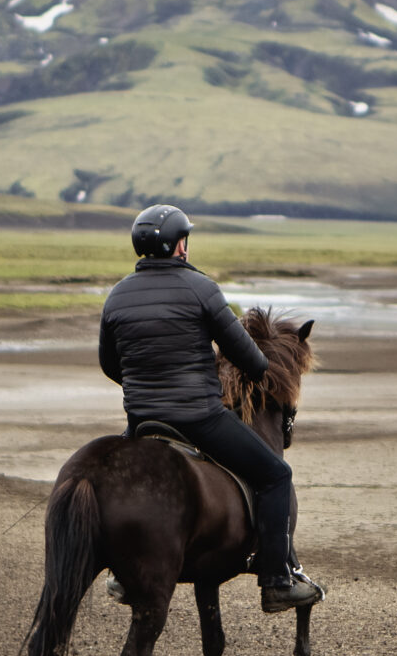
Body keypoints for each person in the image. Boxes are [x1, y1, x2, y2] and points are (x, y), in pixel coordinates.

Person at [98, 204, 323, 612]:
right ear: (179, 244)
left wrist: (146, 387)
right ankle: (276, 580)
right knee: (275, 475)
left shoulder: (117, 295)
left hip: (142, 421)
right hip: (199, 418)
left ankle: (121, 573)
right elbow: (252, 361)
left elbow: (109, 364)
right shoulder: (201, 289)